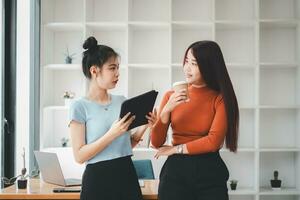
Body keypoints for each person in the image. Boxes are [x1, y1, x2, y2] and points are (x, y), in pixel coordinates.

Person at [69, 36, 156, 200]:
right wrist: (112, 133)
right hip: (97, 181)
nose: (117, 73)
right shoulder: (79, 106)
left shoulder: (122, 101)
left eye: (118, 68)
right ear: (94, 70)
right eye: (112, 68)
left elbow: (125, 145)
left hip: (126, 175)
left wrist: (146, 126)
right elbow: (79, 156)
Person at [151, 40, 239, 200]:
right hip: (175, 174)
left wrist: (176, 149)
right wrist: (165, 112)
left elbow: (213, 141)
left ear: (208, 67)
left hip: (210, 172)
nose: (187, 68)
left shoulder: (220, 99)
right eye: (186, 61)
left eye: (194, 63)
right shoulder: (170, 96)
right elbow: (156, 143)